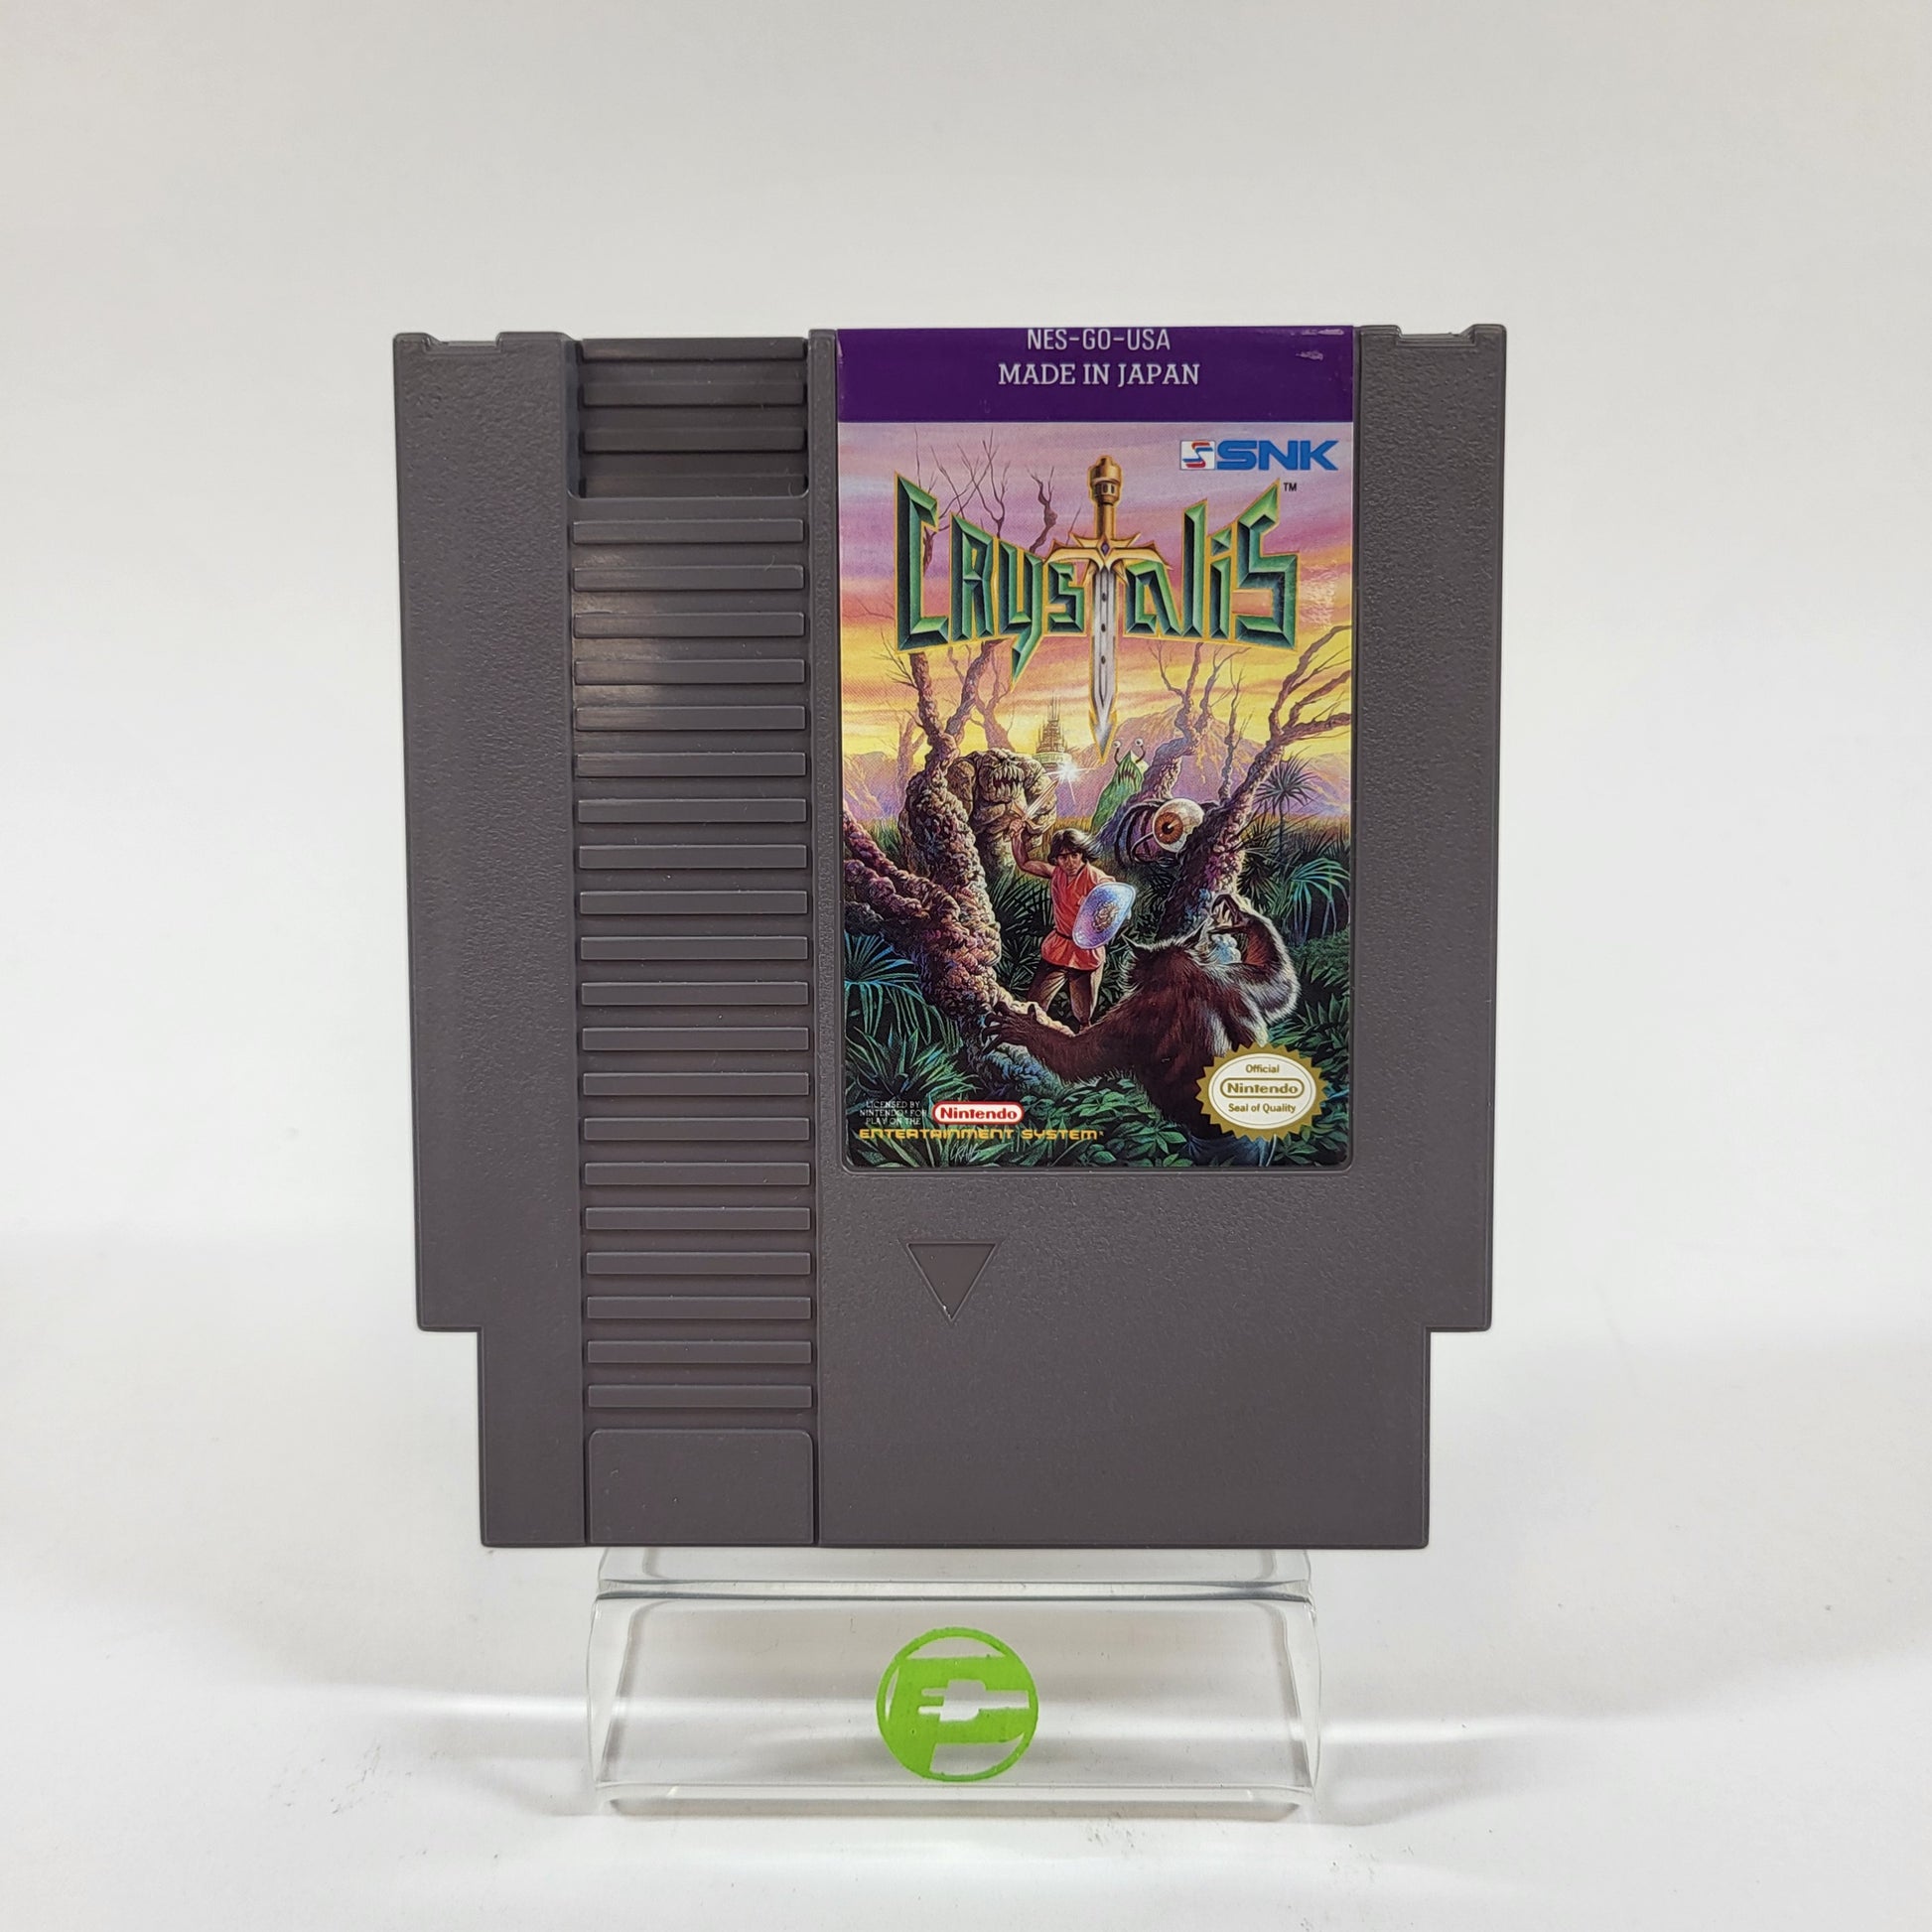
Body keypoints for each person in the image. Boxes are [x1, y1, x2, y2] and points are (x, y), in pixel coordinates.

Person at [1011, 824, 1115, 1031]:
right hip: (1058, 948)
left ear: (1082, 854)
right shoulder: (1057, 873)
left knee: (1083, 1016)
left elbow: (1116, 899)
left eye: (1074, 855)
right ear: (1056, 859)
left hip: (1086, 952)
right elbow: (1024, 863)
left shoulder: (1096, 878)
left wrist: (1098, 906)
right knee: (1033, 1005)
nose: (1070, 862)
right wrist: (1016, 837)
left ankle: (1083, 1046)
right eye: (1063, 857)